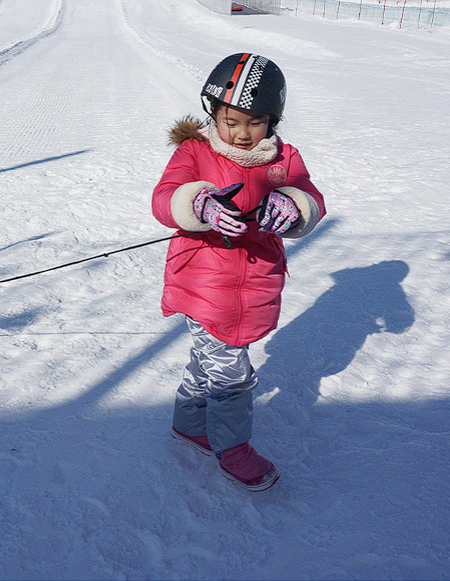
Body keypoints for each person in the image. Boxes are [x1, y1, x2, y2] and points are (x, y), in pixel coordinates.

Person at [151, 53, 327, 492]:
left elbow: (311, 196)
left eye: (256, 121)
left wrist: (295, 204)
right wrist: (199, 203)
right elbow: (164, 196)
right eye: (231, 120)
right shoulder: (195, 151)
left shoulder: (284, 157)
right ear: (214, 112)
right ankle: (233, 449)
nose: (243, 133)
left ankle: (189, 423)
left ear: (273, 119)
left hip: (257, 281)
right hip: (203, 283)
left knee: (208, 360)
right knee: (231, 373)